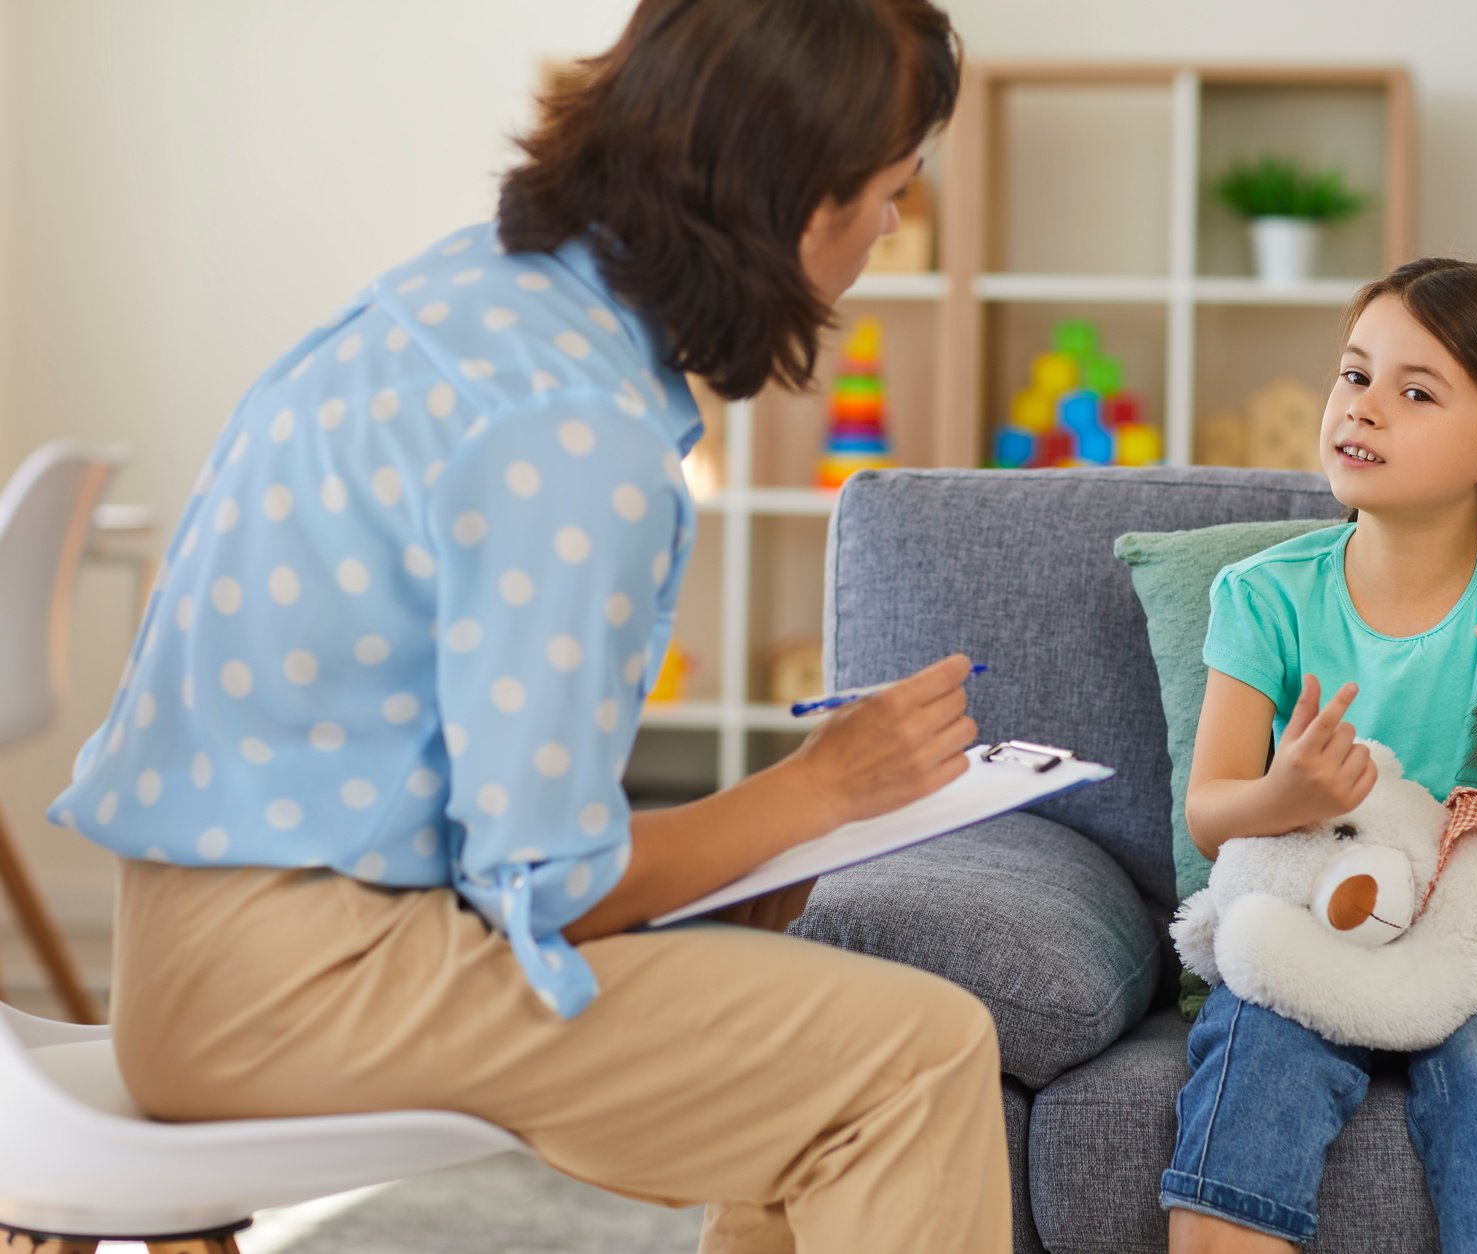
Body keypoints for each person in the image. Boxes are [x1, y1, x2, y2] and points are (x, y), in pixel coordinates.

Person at [44, 2, 1014, 1250]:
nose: (889, 227)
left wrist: (753, 848)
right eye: (890, 192)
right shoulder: (575, 432)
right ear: (799, 201)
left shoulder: (475, 299)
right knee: (918, 1058)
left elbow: (478, 829)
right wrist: (823, 790)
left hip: (206, 957)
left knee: (826, 1060)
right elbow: (550, 879)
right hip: (299, 988)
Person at [1162, 258, 1477, 1253]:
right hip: (1308, 926)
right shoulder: (1262, 596)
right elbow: (1209, 811)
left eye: (1412, 392)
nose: (1360, 409)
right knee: (1252, 1043)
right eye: (1352, 374)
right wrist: (1284, 794)